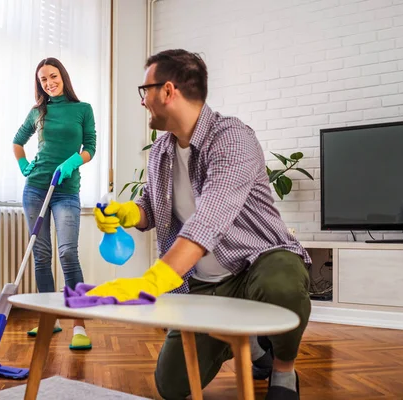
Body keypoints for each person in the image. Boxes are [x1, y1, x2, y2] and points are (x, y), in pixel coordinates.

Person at [88, 49, 311, 400]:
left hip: (256, 263)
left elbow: (207, 220)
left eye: (144, 90)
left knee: (282, 282)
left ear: (167, 91)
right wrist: (129, 213)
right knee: (171, 384)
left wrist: (148, 284)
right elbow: (153, 203)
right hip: (204, 284)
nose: (143, 101)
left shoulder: (232, 138)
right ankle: (251, 346)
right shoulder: (161, 151)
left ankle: (283, 370)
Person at [12, 57, 96, 350]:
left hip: (66, 190)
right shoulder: (38, 111)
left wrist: (75, 160)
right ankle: (49, 319)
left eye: (53, 76)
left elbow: (91, 147)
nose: (49, 82)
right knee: (41, 256)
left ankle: (79, 326)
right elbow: (17, 141)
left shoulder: (82, 109)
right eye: (43, 79)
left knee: (68, 254)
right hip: (35, 188)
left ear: (63, 77)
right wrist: (24, 165)